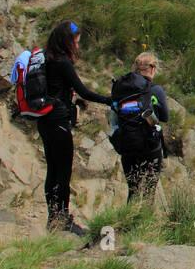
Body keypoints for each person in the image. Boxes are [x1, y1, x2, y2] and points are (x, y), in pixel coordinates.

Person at [37, 21, 110, 235]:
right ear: (67, 41)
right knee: (63, 172)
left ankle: (53, 218)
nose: (78, 45)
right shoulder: (63, 63)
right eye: (76, 40)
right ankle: (64, 220)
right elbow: (84, 91)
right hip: (59, 121)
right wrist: (109, 100)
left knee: (52, 169)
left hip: (45, 120)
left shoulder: (46, 58)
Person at [109, 51, 170, 204]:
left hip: (127, 144)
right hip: (150, 146)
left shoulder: (121, 89)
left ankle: (129, 224)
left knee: (133, 191)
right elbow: (165, 117)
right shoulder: (155, 90)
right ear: (153, 69)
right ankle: (144, 225)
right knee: (149, 192)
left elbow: (113, 118)